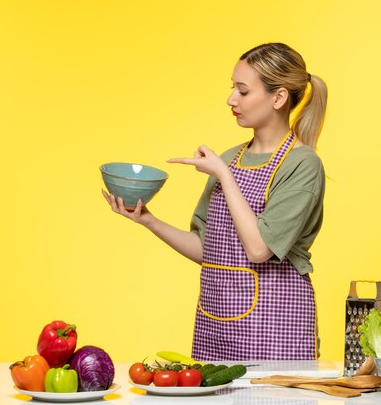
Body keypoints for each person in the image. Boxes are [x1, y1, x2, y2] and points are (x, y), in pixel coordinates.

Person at [102, 42, 328, 361]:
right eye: (232, 89)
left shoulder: (302, 165)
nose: (230, 99)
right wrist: (148, 220)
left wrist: (223, 175)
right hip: (217, 328)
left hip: (276, 328)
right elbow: (207, 249)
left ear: (278, 98)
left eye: (243, 91)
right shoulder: (229, 159)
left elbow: (259, 249)